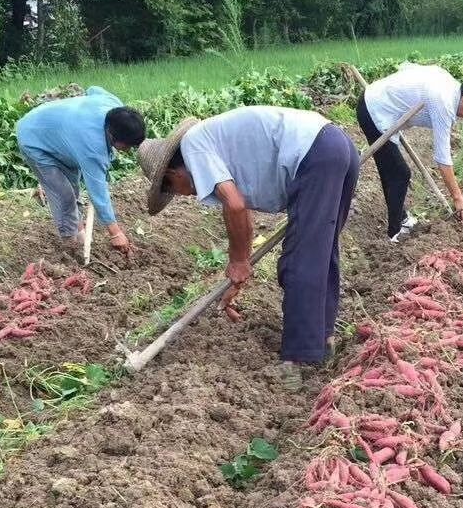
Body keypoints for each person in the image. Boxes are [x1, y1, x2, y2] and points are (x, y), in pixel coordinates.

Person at [138, 106, 359, 389]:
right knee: (321, 253)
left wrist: (240, 259)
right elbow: (240, 214)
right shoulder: (209, 143)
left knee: (298, 263)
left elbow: (235, 204)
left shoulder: (195, 146)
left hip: (315, 155)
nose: (182, 195)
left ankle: (295, 364)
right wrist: (238, 271)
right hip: (333, 146)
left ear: (172, 173)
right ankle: (323, 341)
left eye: (170, 189)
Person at [356, 64, 463, 242]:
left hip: (380, 105)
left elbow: (408, 67)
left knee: (392, 171)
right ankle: (395, 232)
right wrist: (458, 197)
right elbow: (442, 158)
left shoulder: (450, 86)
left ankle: (402, 218)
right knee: (400, 174)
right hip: (374, 111)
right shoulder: (443, 102)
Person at [15, 87, 146, 255]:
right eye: (127, 146)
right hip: (34, 138)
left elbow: (93, 89)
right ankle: (70, 245)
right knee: (64, 195)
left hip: (60, 134)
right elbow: (98, 193)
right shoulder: (93, 148)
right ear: (112, 135)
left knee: (73, 187)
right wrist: (116, 233)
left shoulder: (114, 107)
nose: (128, 150)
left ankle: (79, 232)